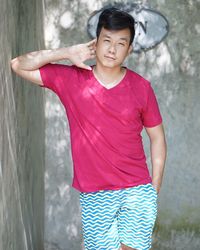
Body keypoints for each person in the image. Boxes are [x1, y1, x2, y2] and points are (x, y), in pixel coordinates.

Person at [11, 7, 167, 250]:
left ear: (129, 49)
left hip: (137, 190)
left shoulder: (141, 88)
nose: (112, 49)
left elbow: (157, 138)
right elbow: (19, 65)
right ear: (95, 43)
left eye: (120, 43)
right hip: (95, 194)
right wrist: (66, 52)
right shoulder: (71, 79)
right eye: (106, 41)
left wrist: (153, 192)